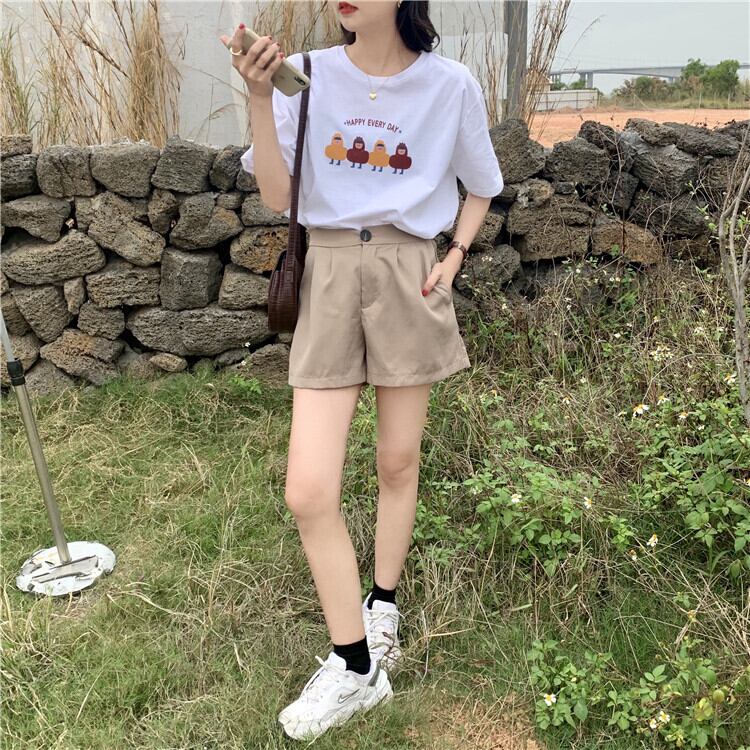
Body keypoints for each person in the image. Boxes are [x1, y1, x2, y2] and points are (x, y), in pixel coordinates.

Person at [221, 0, 503, 741]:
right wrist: (259, 95)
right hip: (329, 271)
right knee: (308, 489)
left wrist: (454, 255)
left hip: (411, 270)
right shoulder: (303, 74)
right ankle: (355, 670)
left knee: (397, 460)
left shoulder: (450, 85)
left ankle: (382, 605)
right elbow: (277, 196)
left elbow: (483, 182)